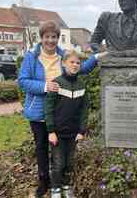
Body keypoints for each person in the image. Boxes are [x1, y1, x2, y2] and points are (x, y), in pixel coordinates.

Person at [18, 20, 106, 197]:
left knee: (58, 150)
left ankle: (58, 181)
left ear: (58, 38)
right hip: (38, 111)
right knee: (42, 147)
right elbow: (23, 81)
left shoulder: (63, 56)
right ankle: (44, 182)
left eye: (54, 37)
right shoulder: (31, 56)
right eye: (47, 37)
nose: (50, 40)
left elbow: (79, 68)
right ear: (41, 38)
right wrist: (44, 86)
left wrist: (96, 58)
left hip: (59, 112)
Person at [45, 50, 88, 198]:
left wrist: (82, 131)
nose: (75, 65)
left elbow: (84, 110)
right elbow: (48, 108)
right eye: (72, 62)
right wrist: (50, 131)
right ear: (64, 64)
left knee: (69, 163)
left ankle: (66, 185)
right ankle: (55, 189)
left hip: (73, 134)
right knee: (58, 163)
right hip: (57, 134)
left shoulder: (82, 85)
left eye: (78, 62)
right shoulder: (57, 83)